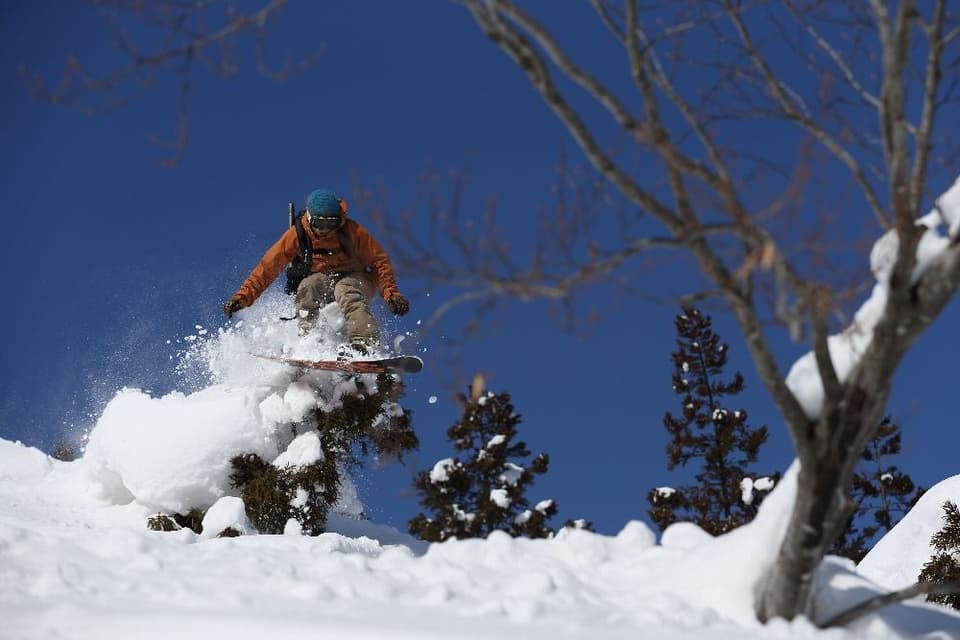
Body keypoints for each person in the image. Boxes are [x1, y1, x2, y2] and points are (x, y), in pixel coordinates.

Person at [224, 188, 409, 354]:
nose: (326, 230)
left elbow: (379, 262)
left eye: (332, 223)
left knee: (345, 289)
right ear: (310, 219)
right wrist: (243, 296)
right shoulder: (297, 235)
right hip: (323, 279)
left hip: (357, 278)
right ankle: (309, 341)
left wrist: (391, 294)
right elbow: (268, 267)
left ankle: (364, 341)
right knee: (308, 286)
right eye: (320, 223)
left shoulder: (352, 232)